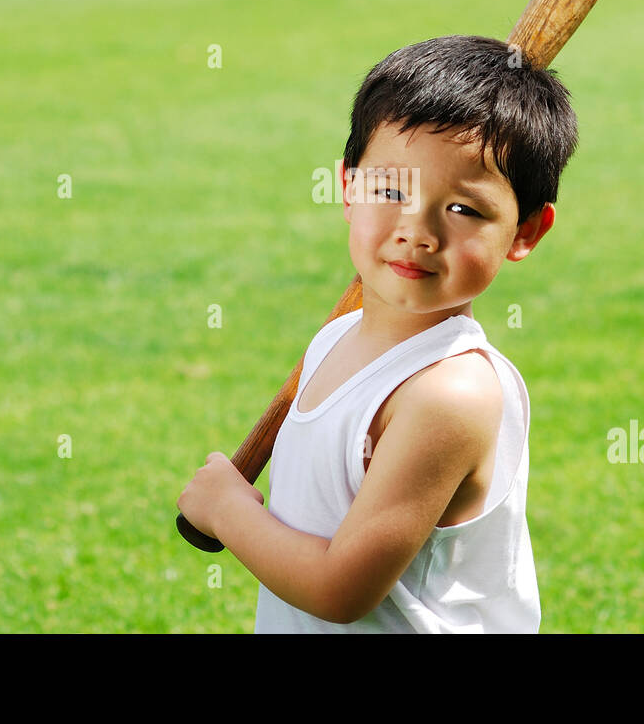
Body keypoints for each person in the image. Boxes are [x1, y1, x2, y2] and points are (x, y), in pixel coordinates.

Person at [177, 34, 578, 632]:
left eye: (464, 209)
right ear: (346, 187)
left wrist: (227, 509)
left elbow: (340, 590)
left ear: (525, 232)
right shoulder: (336, 338)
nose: (417, 231)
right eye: (391, 191)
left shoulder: (449, 395)